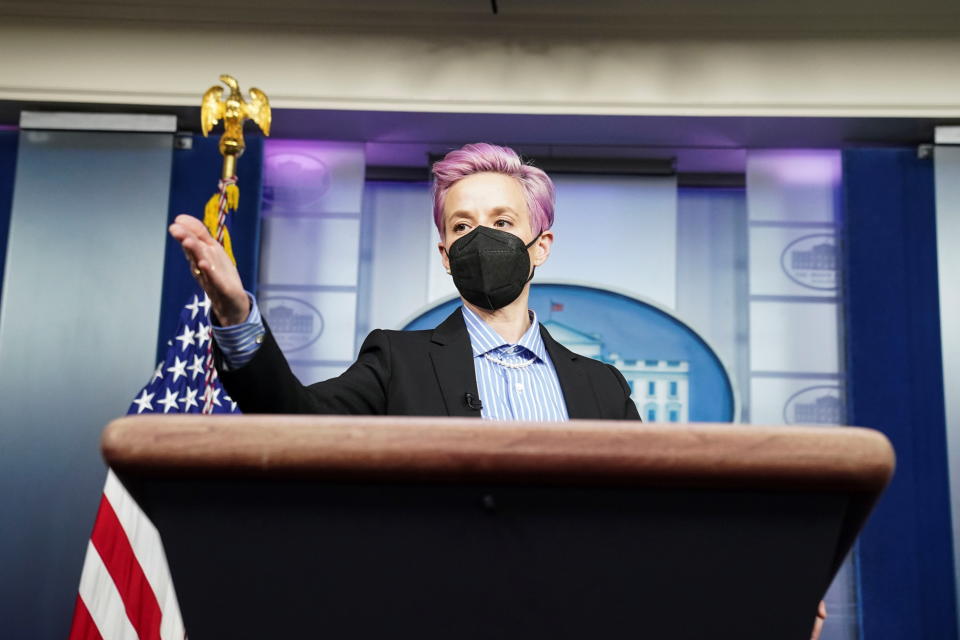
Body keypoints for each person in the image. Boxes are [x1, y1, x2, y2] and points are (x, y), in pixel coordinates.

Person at [169, 142, 639, 419]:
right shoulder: (395, 363)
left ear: (541, 245)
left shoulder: (603, 387)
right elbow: (294, 417)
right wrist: (236, 317)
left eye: (502, 223)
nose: (480, 237)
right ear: (446, 256)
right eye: (461, 226)